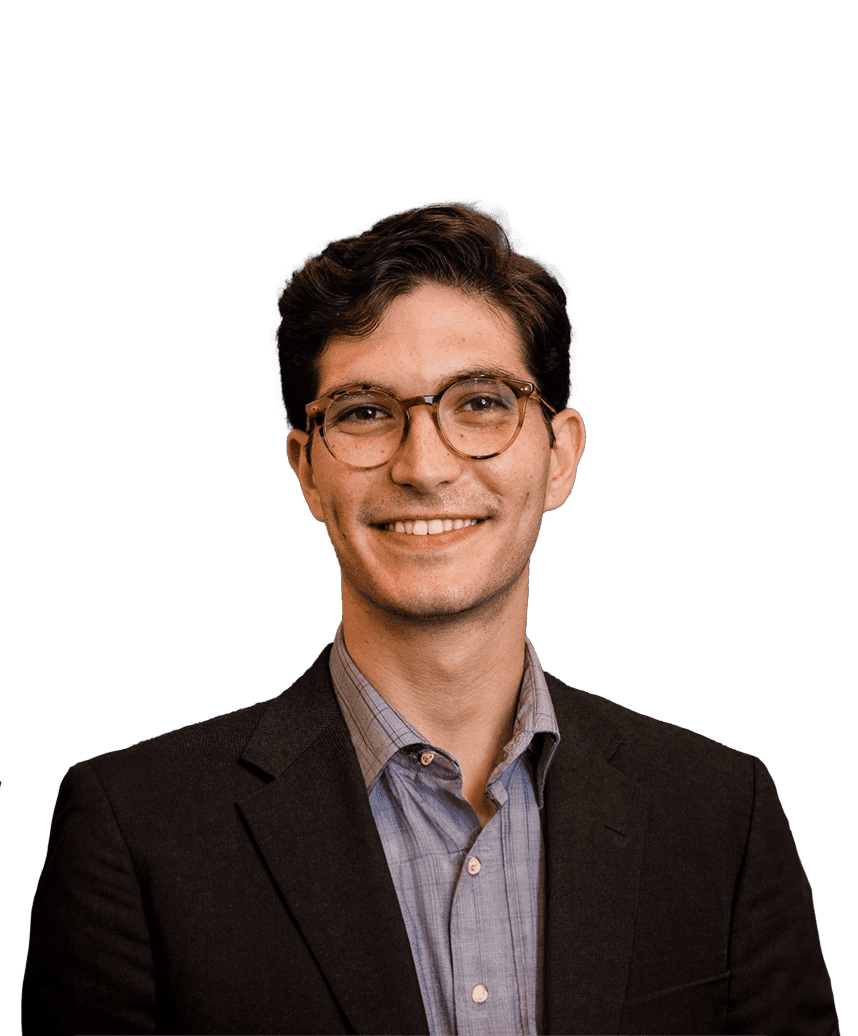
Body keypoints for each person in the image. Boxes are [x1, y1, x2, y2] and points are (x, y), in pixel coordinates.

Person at [22, 201, 838, 1035]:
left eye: (481, 403)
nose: (423, 464)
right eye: (366, 412)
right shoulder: (135, 831)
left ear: (559, 457)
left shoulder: (720, 815)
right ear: (308, 470)